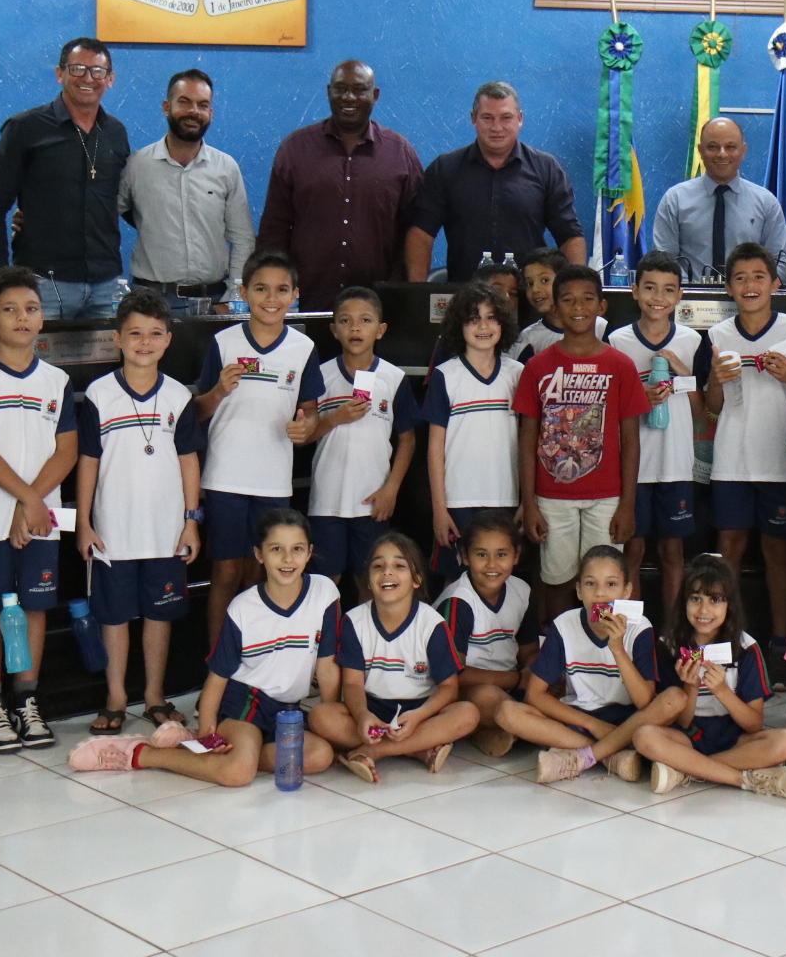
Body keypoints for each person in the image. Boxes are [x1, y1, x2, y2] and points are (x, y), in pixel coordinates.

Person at [68, 511, 358, 786]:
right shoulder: (244, 607)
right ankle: (142, 753)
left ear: (309, 552)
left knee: (320, 756)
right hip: (245, 701)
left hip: (288, 709)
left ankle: (206, 746)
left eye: (297, 549)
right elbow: (218, 678)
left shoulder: (324, 593)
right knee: (238, 773)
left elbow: (326, 663)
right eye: (276, 549)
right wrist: (208, 729)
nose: (287, 559)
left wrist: (327, 720)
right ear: (259, 554)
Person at [0, 266, 76, 753]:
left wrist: (34, 504)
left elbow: (65, 451)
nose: (22, 318)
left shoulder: (57, 380)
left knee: (34, 608)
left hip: (40, 520)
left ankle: (26, 701)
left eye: (31, 308)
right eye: (9, 310)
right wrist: (25, 499)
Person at [75, 288, 203, 734]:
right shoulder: (99, 395)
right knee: (113, 617)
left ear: (168, 340)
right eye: (135, 334)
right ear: (117, 339)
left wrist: (192, 520)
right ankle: (115, 697)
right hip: (114, 530)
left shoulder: (178, 397)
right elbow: (88, 460)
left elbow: (189, 459)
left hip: (166, 531)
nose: (144, 343)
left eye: (154, 334)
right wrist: (84, 522)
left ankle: (153, 695)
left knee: (159, 615)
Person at [701, 243, 786, 663]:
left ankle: (779, 639)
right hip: (732, 460)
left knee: (777, 551)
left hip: (779, 460)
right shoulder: (717, 336)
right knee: (729, 547)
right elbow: (711, 407)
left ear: (775, 283)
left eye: (758, 276)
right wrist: (716, 379)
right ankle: (723, 636)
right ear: (728, 288)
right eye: (740, 278)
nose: (750, 285)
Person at [194, 250, 324, 643]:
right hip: (225, 479)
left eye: (281, 290)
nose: (272, 298)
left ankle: (255, 655)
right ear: (244, 292)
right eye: (262, 289)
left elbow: (311, 414)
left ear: (294, 295)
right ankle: (219, 663)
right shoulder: (224, 342)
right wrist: (219, 391)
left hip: (273, 482)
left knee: (260, 573)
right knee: (227, 572)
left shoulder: (302, 349)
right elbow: (197, 412)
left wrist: (306, 428)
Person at [513, 264, 651, 619]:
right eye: (568, 300)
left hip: (607, 497)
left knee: (605, 583)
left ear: (602, 307)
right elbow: (527, 440)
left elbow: (631, 441)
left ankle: (608, 657)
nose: (578, 307)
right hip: (552, 496)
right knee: (558, 581)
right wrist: (529, 503)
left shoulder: (620, 366)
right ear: (555, 308)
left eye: (588, 299)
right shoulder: (538, 367)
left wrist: (627, 503)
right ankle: (561, 658)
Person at [500, 545, 685, 783]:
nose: (600, 594)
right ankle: (611, 755)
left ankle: (587, 755)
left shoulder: (640, 628)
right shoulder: (565, 624)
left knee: (673, 699)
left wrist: (617, 649)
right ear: (578, 591)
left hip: (628, 720)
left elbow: (644, 701)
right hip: (581, 717)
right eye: (590, 584)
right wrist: (593, 725)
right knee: (507, 713)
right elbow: (535, 695)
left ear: (627, 591)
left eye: (611, 584)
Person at [0, 38, 131, 319]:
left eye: (98, 71)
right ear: (60, 73)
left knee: (108, 363)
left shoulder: (116, 133)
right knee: (36, 364)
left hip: (107, 284)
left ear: (110, 79)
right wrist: (1, 279)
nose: (88, 78)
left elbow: (123, 203)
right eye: (77, 69)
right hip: (42, 284)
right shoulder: (25, 128)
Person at [632, 555, 786, 797]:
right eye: (695, 599)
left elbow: (754, 724)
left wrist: (723, 691)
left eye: (715, 600)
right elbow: (679, 721)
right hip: (686, 735)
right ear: (683, 603)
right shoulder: (669, 645)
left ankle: (685, 769)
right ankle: (741, 778)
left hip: (733, 737)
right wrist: (689, 688)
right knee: (644, 736)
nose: (704, 610)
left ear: (729, 605)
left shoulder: (746, 648)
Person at [257, 59, 423, 301]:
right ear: (328, 92)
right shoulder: (295, 149)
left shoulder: (400, 153)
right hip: (307, 298)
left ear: (375, 95)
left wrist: (399, 290)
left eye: (359, 89)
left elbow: (414, 233)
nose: (349, 97)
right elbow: (274, 228)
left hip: (379, 304)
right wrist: (275, 291)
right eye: (340, 88)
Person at [334, 533, 480, 782]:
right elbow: (352, 683)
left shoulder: (431, 623)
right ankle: (419, 749)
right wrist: (362, 716)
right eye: (378, 566)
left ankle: (374, 750)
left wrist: (419, 716)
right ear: (368, 581)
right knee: (322, 717)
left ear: (416, 579)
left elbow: (449, 688)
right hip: (374, 712)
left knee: (468, 714)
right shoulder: (353, 621)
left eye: (399, 566)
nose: (387, 572)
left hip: (421, 713)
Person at [407, 81, 586, 282]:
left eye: (506, 118)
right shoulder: (445, 168)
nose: (497, 127)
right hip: (466, 297)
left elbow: (570, 235)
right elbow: (421, 235)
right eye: (487, 118)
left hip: (529, 297)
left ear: (520, 119)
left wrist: (574, 289)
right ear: (473, 119)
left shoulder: (546, 168)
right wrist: (418, 296)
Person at [608, 251, 706, 610]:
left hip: (675, 463)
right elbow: (608, 409)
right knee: (631, 549)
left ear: (680, 295)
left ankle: (672, 633)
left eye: (668, 289)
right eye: (650, 288)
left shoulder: (692, 342)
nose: (658, 297)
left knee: (673, 550)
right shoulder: (617, 342)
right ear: (634, 291)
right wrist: (637, 396)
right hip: (634, 465)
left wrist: (682, 371)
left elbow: (702, 411)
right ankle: (631, 631)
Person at [305, 287, 418, 589]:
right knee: (325, 583)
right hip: (327, 500)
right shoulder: (319, 376)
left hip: (372, 501)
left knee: (370, 581)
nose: (355, 328)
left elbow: (407, 439)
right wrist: (335, 418)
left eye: (365, 320)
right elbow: (304, 435)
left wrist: (391, 489)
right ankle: (326, 636)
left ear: (380, 330)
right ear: (334, 330)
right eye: (345, 321)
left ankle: (367, 638)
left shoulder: (393, 379)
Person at [119, 68, 255, 313]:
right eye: (184, 102)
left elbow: (243, 240)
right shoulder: (136, 166)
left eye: (203, 105)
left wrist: (233, 298)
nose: (194, 111)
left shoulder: (227, 168)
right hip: (150, 303)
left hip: (214, 302)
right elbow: (103, 217)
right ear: (166, 107)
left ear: (210, 113)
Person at [424, 282, 523, 582]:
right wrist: (440, 510)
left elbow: (530, 443)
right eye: (473, 319)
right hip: (457, 502)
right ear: (458, 325)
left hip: (505, 498)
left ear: (503, 323)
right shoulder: (446, 375)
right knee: (455, 582)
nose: (483, 326)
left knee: (501, 580)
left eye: (491, 317)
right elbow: (434, 449)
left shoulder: (517, 373)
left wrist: (526, 502)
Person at [435, 513, 538, 758]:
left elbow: (529, 650)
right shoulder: (458, 601)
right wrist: (516, 680)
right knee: (492, 699)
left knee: (554, 686)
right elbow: (451, 674)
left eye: (501, 555)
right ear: (465, 557)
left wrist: (536, 674)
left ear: (516, 556)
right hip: (464, 689)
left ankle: (498, 728)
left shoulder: (521, 591)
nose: (492, 565)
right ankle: (519, 726)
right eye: (482, 555)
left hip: (511, 681)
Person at [650, 117, 786, 280]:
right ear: (700, 150)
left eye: (730, 147)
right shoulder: (675, 200)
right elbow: (664, 261)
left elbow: (780, 263)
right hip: (689, 299)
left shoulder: (766, 203)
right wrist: (689, 294)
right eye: (713, 147)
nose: (722, 154)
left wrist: (753, 290)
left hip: (748, 299)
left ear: (743, 151)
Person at [510, 247, 605, 362]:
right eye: (529, 283)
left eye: (545, 280)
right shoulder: (527, 339)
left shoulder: (600, 326)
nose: (535, 289)